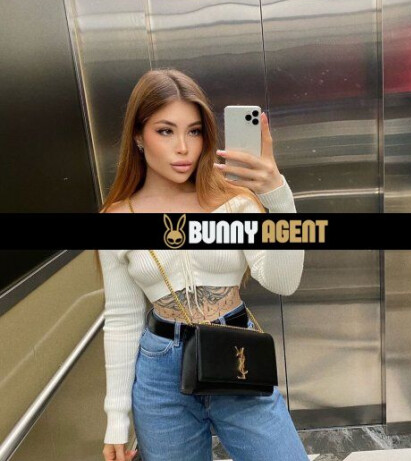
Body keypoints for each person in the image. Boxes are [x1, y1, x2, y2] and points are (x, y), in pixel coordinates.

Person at [97, 68, 307, 461]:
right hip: (160, 373)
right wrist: (116, 420)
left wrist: (278, 198)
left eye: (194, 131)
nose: (183, 148)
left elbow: (284, 281)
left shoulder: (235, 202)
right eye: (165, 131)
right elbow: (122, 318)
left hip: (236, 354)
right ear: (138, 136)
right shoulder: (117, 217)